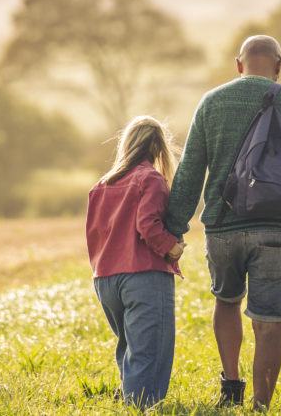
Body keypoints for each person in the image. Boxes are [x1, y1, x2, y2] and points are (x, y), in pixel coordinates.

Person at [164, 35, 281, 409]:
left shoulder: (212, 101)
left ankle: (232, 387)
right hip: (276, 228)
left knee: (226, 301)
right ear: (279, 65)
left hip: (222, 228)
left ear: (238, 65)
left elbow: (191, 169)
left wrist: (172, 230)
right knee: (269, 320)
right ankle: (261, 406)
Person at [85, 115, 187, 408]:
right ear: (157, 148)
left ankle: (130, 397)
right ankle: (141, 407)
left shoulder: (100, 186)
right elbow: (148, 225)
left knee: (129, 347)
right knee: (149, 350)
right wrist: (173, 248)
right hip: (143, 276)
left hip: (105, 279)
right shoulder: (150, 178)